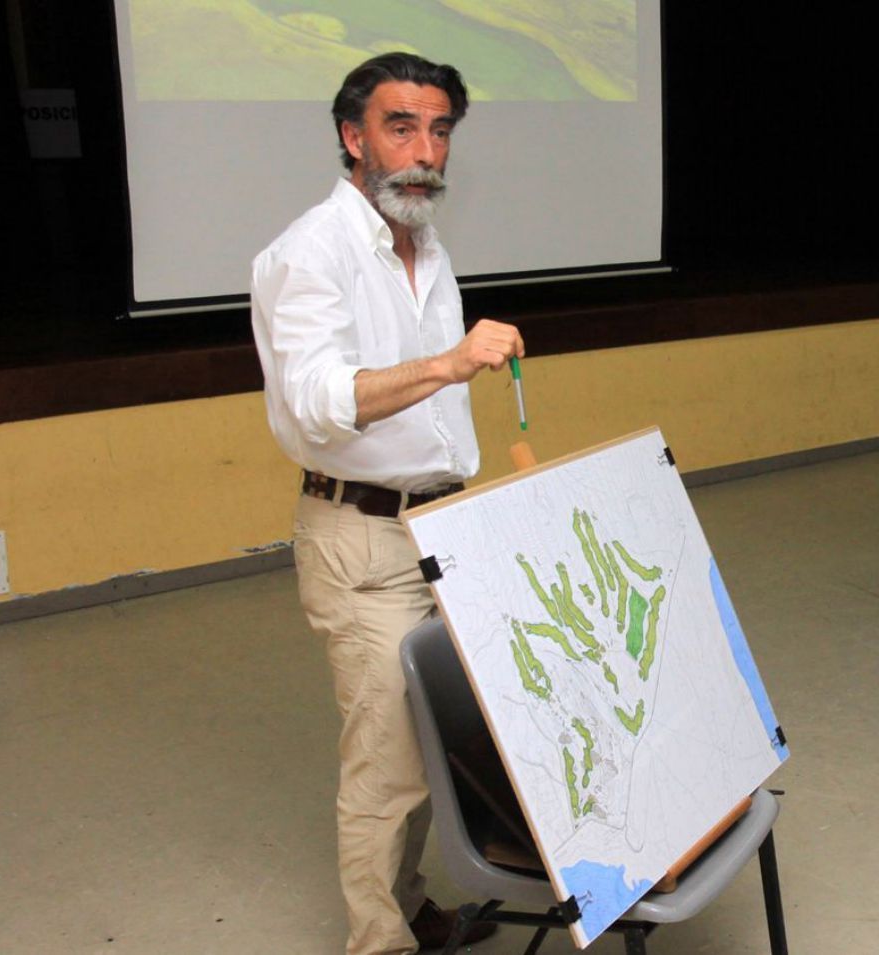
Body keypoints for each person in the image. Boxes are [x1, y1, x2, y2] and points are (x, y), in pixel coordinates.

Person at [251, 52, 524, 954]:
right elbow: (323, 401)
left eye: (439, 129)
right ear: (352, 137)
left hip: (437, 528)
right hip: (359, 540)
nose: (424, 151)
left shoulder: (425, 246)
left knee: (429, 740)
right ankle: (380, 942)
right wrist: (448, 363)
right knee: (386, 763)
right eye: (400, 126)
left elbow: (433, 418)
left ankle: (409, 908)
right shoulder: (308, 255)